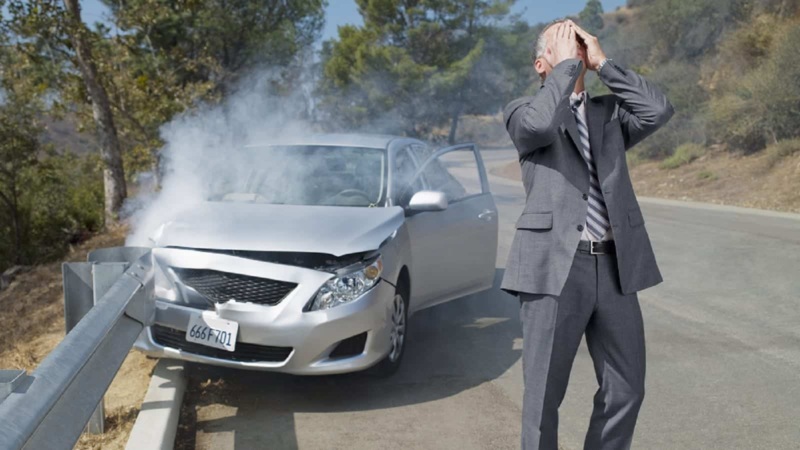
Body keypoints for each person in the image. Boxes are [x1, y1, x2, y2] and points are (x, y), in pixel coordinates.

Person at [502, 19, 674, 450]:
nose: (574, 52)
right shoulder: (522, 110)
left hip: (616, 266)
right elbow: (541, 128)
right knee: (543, 397)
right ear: (541, 63)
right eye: (563, 48)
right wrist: (564, 69)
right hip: (554, 267)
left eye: (578, 46)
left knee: (627, 389)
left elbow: (658, 110)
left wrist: (603, 64)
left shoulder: (609, 114)